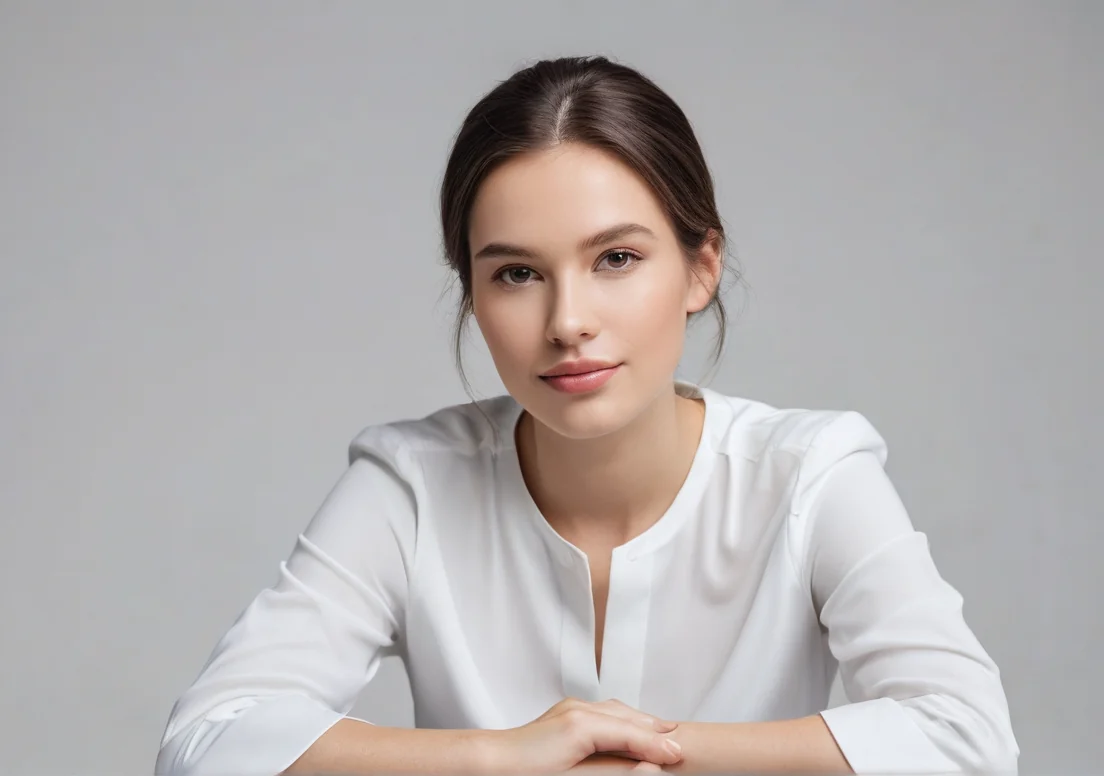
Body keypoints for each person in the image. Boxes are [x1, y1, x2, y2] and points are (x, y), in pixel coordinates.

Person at [155, 56, 1019, 776]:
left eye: (615, 258)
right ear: (474, 294)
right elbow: (208, 740)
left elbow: (968, 737)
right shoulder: (411, 484)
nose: (568, 321)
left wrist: (658, 752)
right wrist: (505, 758)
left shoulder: (808, 475)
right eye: (517, 274)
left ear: (699, 268)